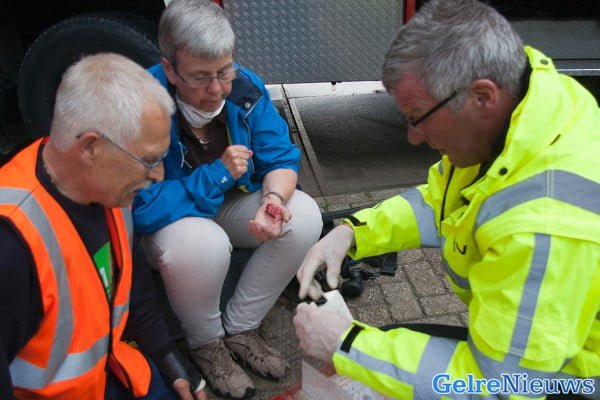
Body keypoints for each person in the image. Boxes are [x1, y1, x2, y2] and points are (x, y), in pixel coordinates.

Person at [293, 0, 600, 398]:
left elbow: (502, 388)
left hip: (568, 381)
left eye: (417, 118)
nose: (412, 137)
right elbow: (443, 202)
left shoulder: (543, 229)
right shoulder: (532, 109)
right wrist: (353, 233)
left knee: (364, 367)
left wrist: (346, 344)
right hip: (540, 359)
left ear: (483, 96)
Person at [131, 0, 322, 398]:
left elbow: (281, 157)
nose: (216, 89)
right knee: (205, 245)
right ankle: (206, 345)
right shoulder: (141, 105)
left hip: (221, 206)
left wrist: (272, 200)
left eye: (224, 71)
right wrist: (217, 173)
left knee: (303, 216)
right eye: (200, 77)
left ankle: (240, 328)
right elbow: (142, 208)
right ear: (169, 69)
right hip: (168, 226)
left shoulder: (246, 88)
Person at [0, 53, 208, 400]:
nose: (158, 175)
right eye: (149, 160)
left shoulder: (111, 193)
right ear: (90, 147)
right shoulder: (11, 244)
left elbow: (136, 294)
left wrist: (170, 361)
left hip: (108, 375)